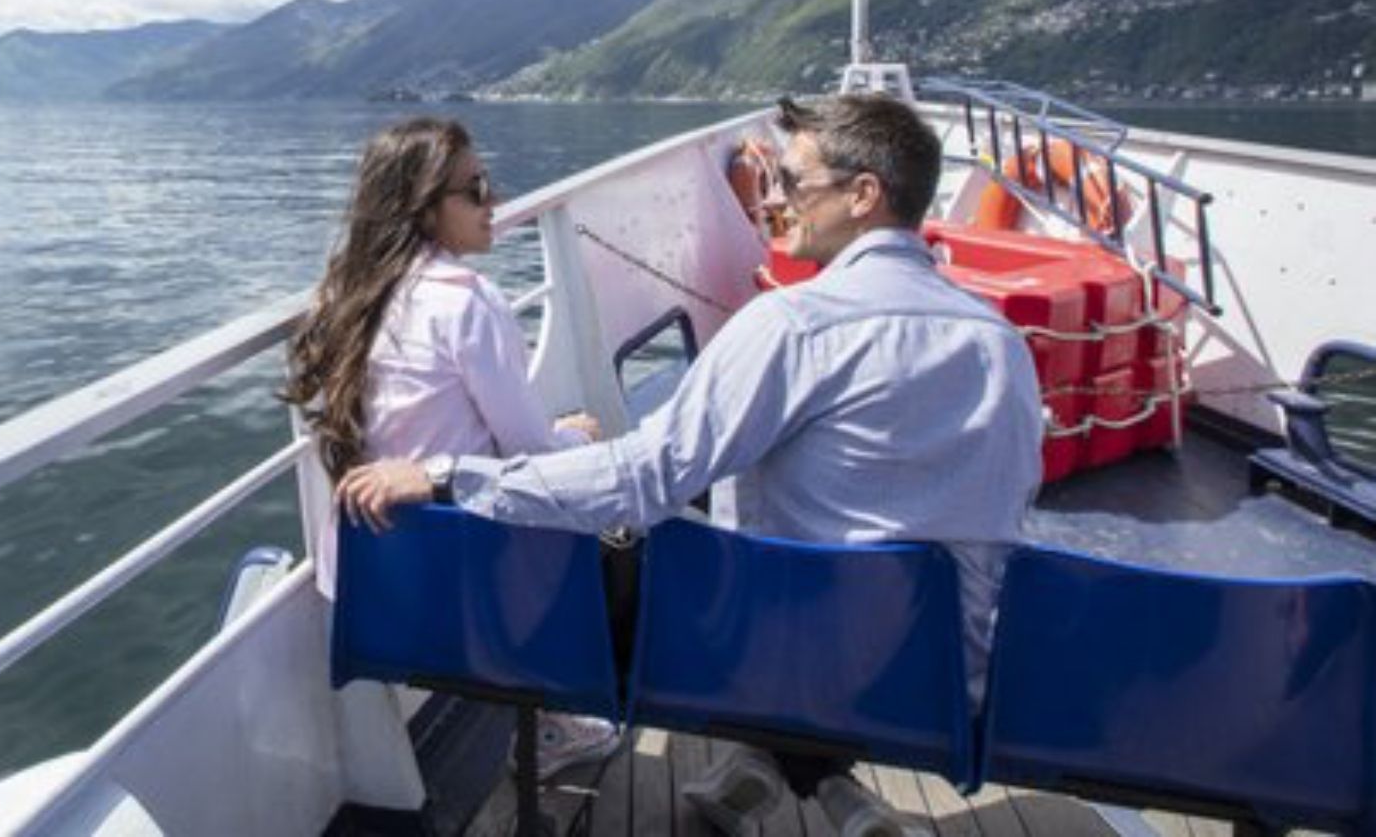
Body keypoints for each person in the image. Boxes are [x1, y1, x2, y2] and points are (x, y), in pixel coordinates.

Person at [337, 94, 1044, 837]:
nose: (770, 199)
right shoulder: (1002, 344)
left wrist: (453, 476)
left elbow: (644, 479)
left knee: (617, 546)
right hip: (941, 678)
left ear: (863, 194)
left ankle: (747, 761)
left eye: (791, 182)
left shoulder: (791, 325)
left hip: (788, 673)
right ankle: (817, 787)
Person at [285, 116, 620, 780]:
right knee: (593, 490)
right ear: (423, 208)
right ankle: (553, 719)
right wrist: (577, 434)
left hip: (366, 582)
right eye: (476, 187)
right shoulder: (465, 300)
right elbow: (531, 446)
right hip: (459, 584)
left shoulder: (340, 300)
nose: (494, 199)